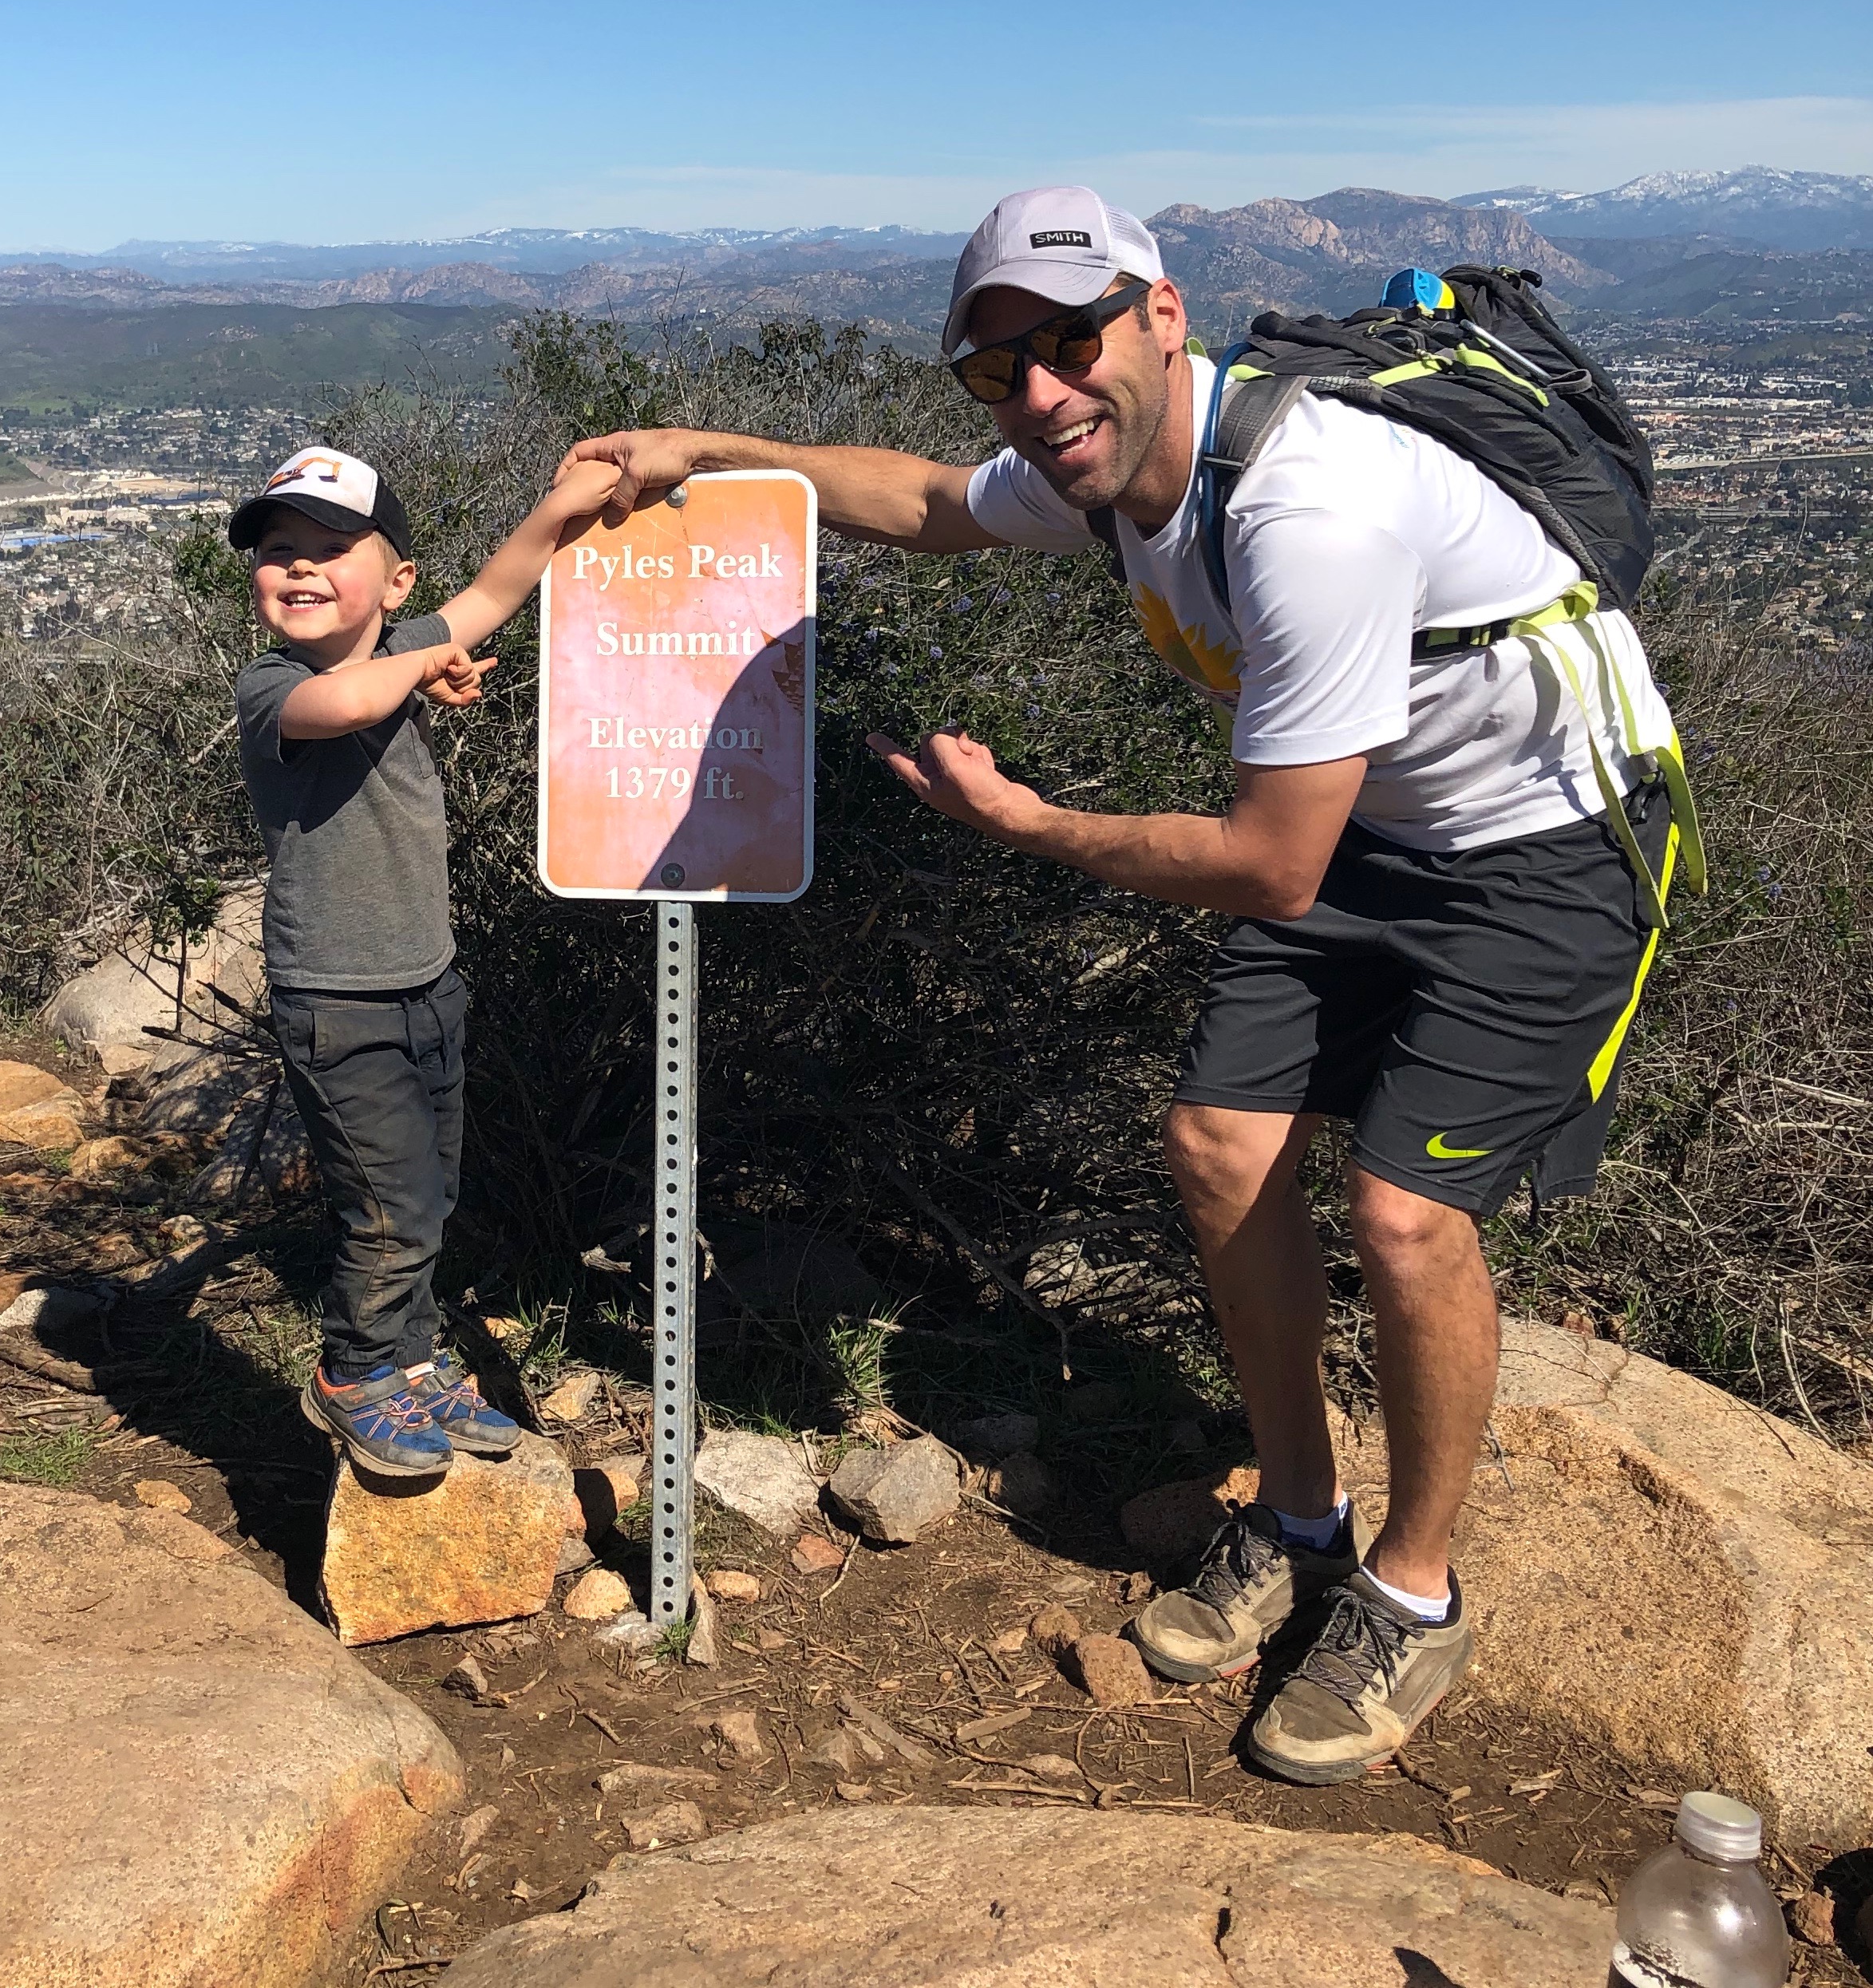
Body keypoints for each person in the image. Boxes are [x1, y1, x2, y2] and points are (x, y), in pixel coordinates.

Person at [566, 184, 1685, 1784]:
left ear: (1165, 316)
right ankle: (1300, 1520)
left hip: (1546, 843)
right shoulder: (1114, 474)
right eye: (998, 365)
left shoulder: (1306, 504)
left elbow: (1268, 866)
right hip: (1374, 823)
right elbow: (937, 503)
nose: (1037, 391)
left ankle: (1417, 1592)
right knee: (1223, 1142)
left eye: (1069, 340)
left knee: (1404, 1213)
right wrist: (708, 451)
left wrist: (1027, 822)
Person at [229, 442, 620, 1476]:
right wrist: (423, 666)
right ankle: (355, 1375)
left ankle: (409, 1363)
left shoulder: (404, 647)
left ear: (395, 581)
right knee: (388, 1209)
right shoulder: (272, 688)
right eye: (279, 550)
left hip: (426, 985)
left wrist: (563, 505)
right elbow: (348, 705)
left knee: (427, 1200)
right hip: (337, 1002)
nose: (303, 568)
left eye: (332, 548)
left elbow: (496, 591)